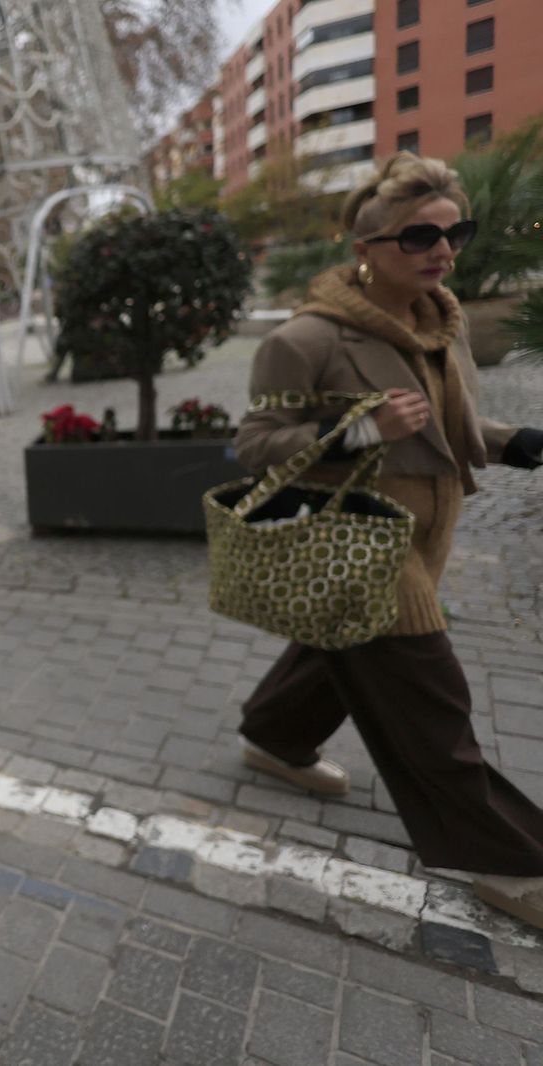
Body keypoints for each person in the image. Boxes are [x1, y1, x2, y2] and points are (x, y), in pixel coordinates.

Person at [233, 151, 543, 929]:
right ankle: (505, 860)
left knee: (341, 648)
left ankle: (273, 735)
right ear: (365, 250)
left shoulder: (442, 323)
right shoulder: (307, 339)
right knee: (430, 698)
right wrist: (361, 429)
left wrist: (510, 442)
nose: (442, 249)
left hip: (430, 527)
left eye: (454, 232)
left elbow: (451, 428)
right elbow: (255, 442)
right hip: (360, 538)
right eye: (419, 236)